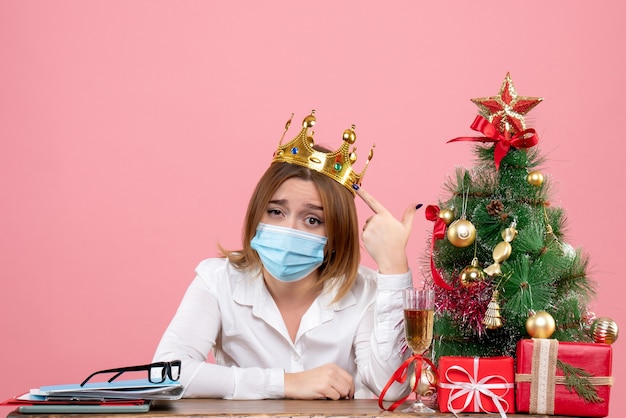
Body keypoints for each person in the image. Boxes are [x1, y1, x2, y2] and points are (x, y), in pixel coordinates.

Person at [153, 111, 419, 400]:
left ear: (336, 235)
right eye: (276, 212)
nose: (289, 229)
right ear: (257, 215)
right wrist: (285, 383)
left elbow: (392, 389)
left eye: (312, 220)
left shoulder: (366, 291)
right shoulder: (217, 280)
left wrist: (394, 267)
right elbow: (165, 374)